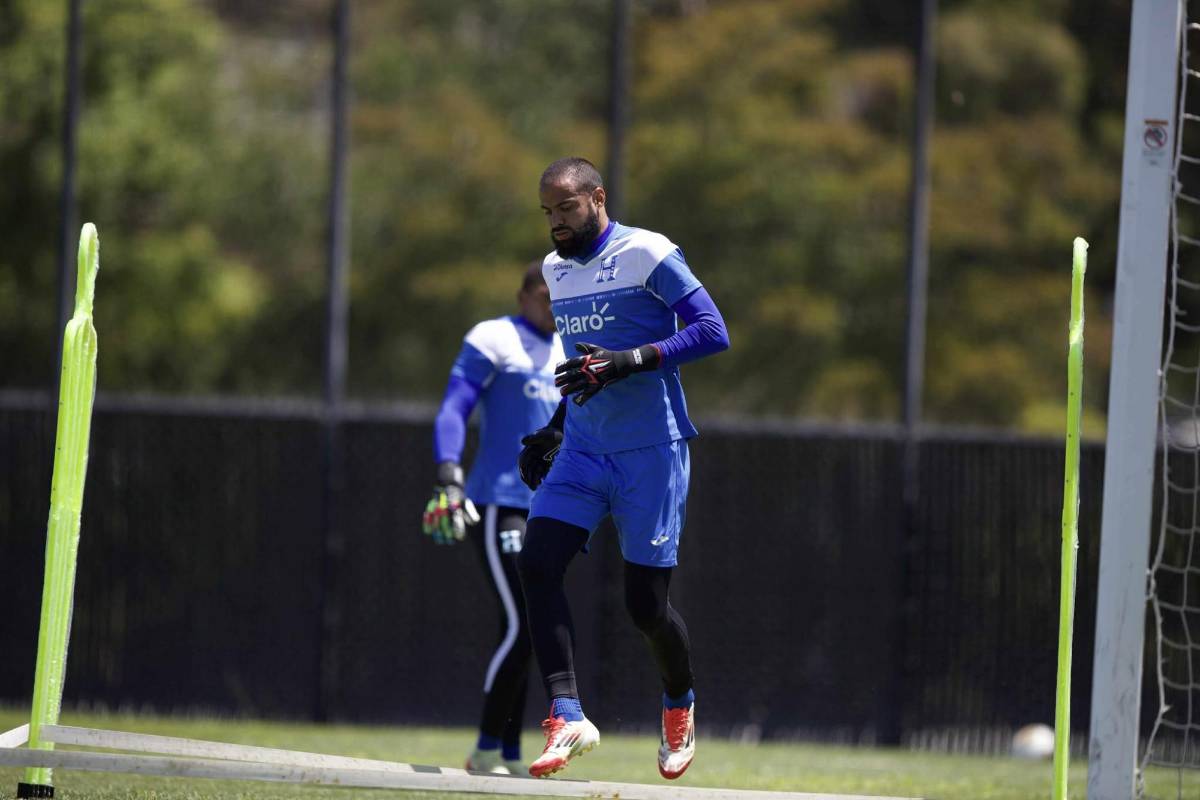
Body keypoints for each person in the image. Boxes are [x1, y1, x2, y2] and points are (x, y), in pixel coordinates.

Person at [516, 157, 730, 780]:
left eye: (567, 209)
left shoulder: (647, 252)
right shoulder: (555, 271)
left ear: (598, 198)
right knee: (537, 564)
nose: (556, 224)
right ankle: (567, 713)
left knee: (646, 608)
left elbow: (712, 331)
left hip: (651, 452)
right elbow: (583, 364)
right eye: (547, 213)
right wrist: (556, 427)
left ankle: (678, 705)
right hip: (583, 449)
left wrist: (631, 359)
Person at [422, 262, 564, 775]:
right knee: (524, 622)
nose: (555, 305)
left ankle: (506, 753)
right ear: (525, 295)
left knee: (531, 629)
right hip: (499, 504)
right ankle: (486, 749)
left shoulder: (575, 345)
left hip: (555, 512)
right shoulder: (495, 337)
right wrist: (448, 475)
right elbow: (454, 408)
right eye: (547, 295)